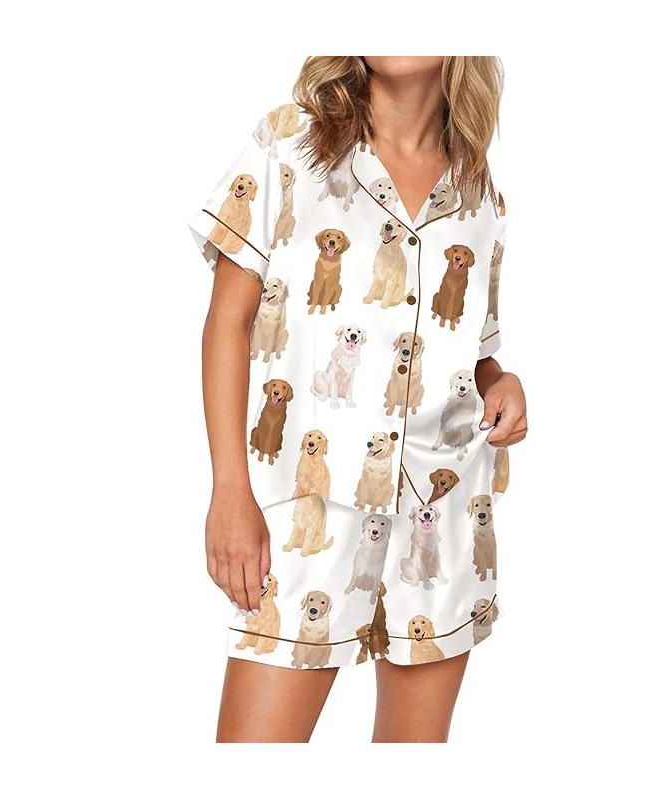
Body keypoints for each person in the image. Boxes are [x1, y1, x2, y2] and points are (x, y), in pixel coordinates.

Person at [188, 56, 527, 743]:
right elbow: (228, 321)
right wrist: (230, 490)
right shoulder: (289, 144)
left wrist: (502, 383)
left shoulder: (479, 190)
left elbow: (473, 351)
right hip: (308, 515)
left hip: (441, 520)